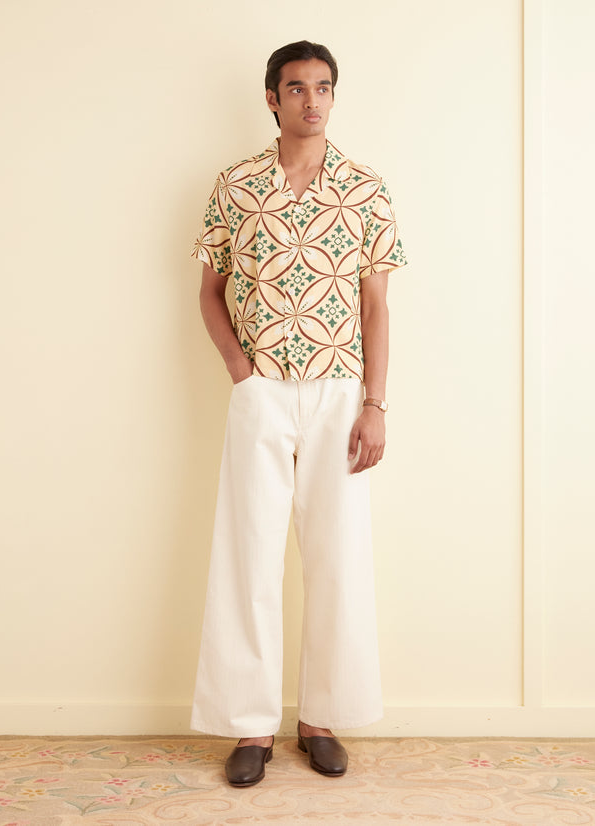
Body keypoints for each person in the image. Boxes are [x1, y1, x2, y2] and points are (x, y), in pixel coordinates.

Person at [190, 40, 407, 787]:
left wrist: (375, 403)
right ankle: (249, 725)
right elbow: (208, 292)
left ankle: (321, 718)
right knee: (247, 554)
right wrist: (240, 373)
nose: (310, 99)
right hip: (261, 389)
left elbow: (376, 307)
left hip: (340, 389)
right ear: (272, 99)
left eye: (322, 87)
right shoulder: (236, 186)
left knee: (337, 557)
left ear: (333, 98)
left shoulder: (367, 189)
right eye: (295, 87)